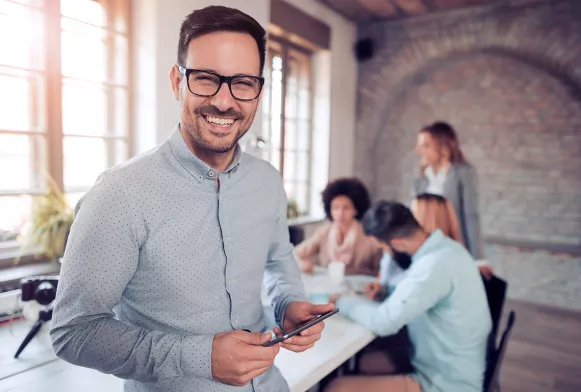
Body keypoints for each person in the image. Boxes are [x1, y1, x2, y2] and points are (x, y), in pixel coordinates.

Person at [50, 6, 333, 392]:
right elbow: (74, 332)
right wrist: (199, 356)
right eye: (205, 79)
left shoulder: (267, 181)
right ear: (176, 81)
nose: (224, 101)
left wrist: (289, 304)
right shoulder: (119, 194)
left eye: (243, 83)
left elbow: (278, 259)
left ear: (259, 92)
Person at [327, 201, 491, 392]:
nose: (385, 254)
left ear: (397, 243)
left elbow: (383, 322)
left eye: (383, 248)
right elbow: (422, 294)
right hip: (450, 364)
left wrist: (340, 303)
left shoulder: (432, 266)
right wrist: (387, 292)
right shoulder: (449, 249)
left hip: (445, 384)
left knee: (337, 387)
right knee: (365, 362)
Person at [414, 121, 484, 259]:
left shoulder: (463, 173)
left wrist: (479, 258)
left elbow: (471, 216)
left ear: (444, 147)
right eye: (419, 146)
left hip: (453, 247)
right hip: (425, 249)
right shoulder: (422, 178)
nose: (419, 150)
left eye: (426, 146)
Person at [294, 177, 382, 276]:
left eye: (346, 208)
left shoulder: (368, 235)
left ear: (356, 210)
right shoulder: (323, 232)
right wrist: (302, 263)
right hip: (328, 286)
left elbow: (381, 269)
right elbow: (296, 253)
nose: (340, 213)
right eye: (335, 208)